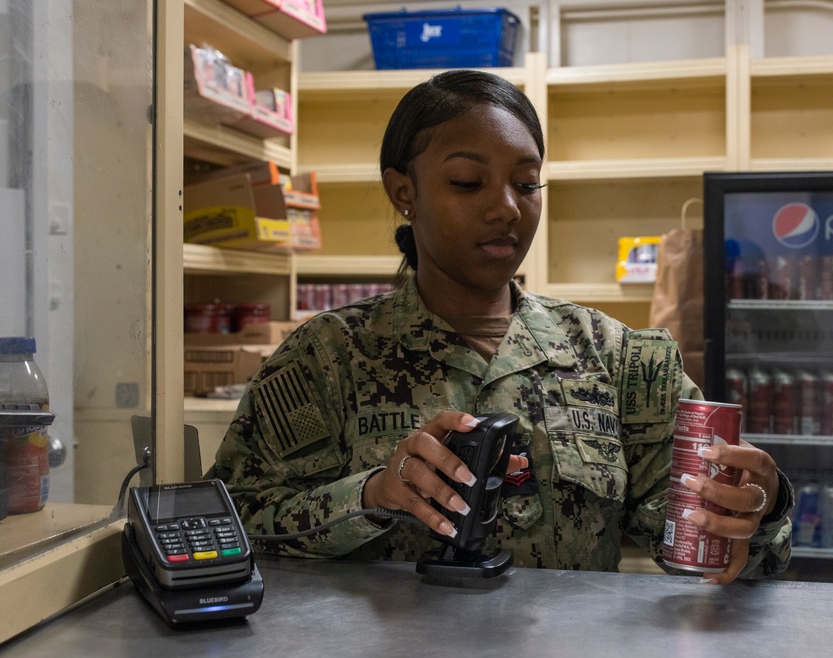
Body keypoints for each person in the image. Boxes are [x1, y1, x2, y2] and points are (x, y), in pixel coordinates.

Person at [206, 69, 793, 584]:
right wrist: (369, 496)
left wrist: (752, 514)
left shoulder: (618, 359)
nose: (507, 207)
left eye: (527, 182)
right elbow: (228, 529)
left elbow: (715, 554)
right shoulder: (325, 359)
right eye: (468, 182)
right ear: (403, 192)